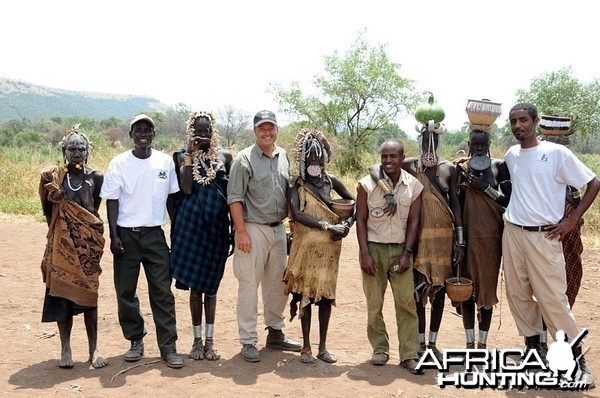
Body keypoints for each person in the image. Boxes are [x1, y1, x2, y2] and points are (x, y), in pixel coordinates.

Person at [503, 103, 599, 387]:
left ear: (534, 122)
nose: (518, 126)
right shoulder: (511, 154)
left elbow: (593, 183)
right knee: (518, 295)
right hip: (514, 233)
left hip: (544, 237)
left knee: (553, 300)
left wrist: (572, 221)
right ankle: (535, 351)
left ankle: (577, 361)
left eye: (523, 120)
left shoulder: (556, 153)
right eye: (513, 122)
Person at [100, 114, 184, 369]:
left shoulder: (164, 162)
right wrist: (113, 235)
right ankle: (135, 340)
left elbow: (171, 199)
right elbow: (112, 200)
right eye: (138, 130)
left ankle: (168, 347)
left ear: (153, 134)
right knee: (125, 291)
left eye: (148, 130)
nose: (143, 134)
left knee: (162, 291)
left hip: (155, 235)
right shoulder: (119, 163)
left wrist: (176, 230)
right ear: (131, 135)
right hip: (126, 235)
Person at [226, 110, 301, 363]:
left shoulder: (284, 157)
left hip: (278, 228)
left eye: (271, 127)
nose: (267, 132)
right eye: (262, 128)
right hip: (253, 228)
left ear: (277, 129)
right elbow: (235, 197)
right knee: (249, 284)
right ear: (255, 131)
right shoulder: (244, 159)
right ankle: (248, 340)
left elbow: (288, 194)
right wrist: (242, 231)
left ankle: (275, 332)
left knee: (278, 284)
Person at [283, 129, 354, 364]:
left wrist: (346, 225)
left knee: (325, 296)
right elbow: (298, 214)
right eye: (309, 158)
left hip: (329, 251)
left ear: (324, 158)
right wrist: (327, 226)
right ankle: (306, 347)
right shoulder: (296, 184)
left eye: (318, 158)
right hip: (305, 249)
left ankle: (323, 347)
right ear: (302, 159)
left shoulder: (330, 181)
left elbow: (354, 204)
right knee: (305, 295)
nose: (314, 162)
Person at [39, 125, 106, 369]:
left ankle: (94, 348)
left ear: (88, 151)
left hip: (88, 245)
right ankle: (65, 349)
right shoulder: (54, 178)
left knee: (90, 296)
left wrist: (83, 231)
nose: (76, 152)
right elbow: (49, 213)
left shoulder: (96, 177)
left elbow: (94, 212)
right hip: (62, 244)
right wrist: (63, 234)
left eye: (81, 148)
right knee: (62, 296)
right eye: (71, 148)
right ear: (64, 151)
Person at [356, 139, 423, 375]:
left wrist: (407, 252)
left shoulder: (413, 185)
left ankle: (409, 354)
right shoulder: (366, 185)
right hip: (374, 248)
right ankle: (380, 349)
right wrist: (364, 253)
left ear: (402, 157)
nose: (388, 161)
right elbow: (361, 221)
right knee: (374, 303)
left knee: (406, 303)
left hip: (401, 251)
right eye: (384, 156)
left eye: (393, 156)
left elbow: (414, 221)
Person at [170, 111, 232, 361]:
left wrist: (235, 229)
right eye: (198, 130)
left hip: (216, 230)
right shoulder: (180, 156)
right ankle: (197, 343)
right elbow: (186, 187)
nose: (203, 135)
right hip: (190, 229)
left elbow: (232, 194)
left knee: (212, 288)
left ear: (213, 131)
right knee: (196, 289)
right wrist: (189, 154)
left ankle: (211, 342)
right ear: (191, 131)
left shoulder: (225, 156)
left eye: (207, 131)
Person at [402, 124, 464, 359]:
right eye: (425, 141)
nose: (429, 146)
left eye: (434, 142)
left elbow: (456, 205)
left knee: (438, 292)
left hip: (444, 242)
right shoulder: (410, 166)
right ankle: (418, 343)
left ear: (440, 144)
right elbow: (379, 168)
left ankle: (432, 344)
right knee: (419, 292)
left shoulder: (449, 169)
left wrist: (460, 241)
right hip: (419, 240)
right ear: (419, 142)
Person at [453, 129, 511, 349]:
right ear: (469, 144)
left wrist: (484, 188)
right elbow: (456, 203)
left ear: (489, 143)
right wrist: (458, 239)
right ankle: (469, 342)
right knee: (466, 289)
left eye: (482, 144)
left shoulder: (499, 167)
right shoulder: (461, 168)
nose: (478, 148)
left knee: (487, 291)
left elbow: (507, 200)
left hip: (491, 239)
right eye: (474, 144)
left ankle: (482, 344)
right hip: (467, 238)